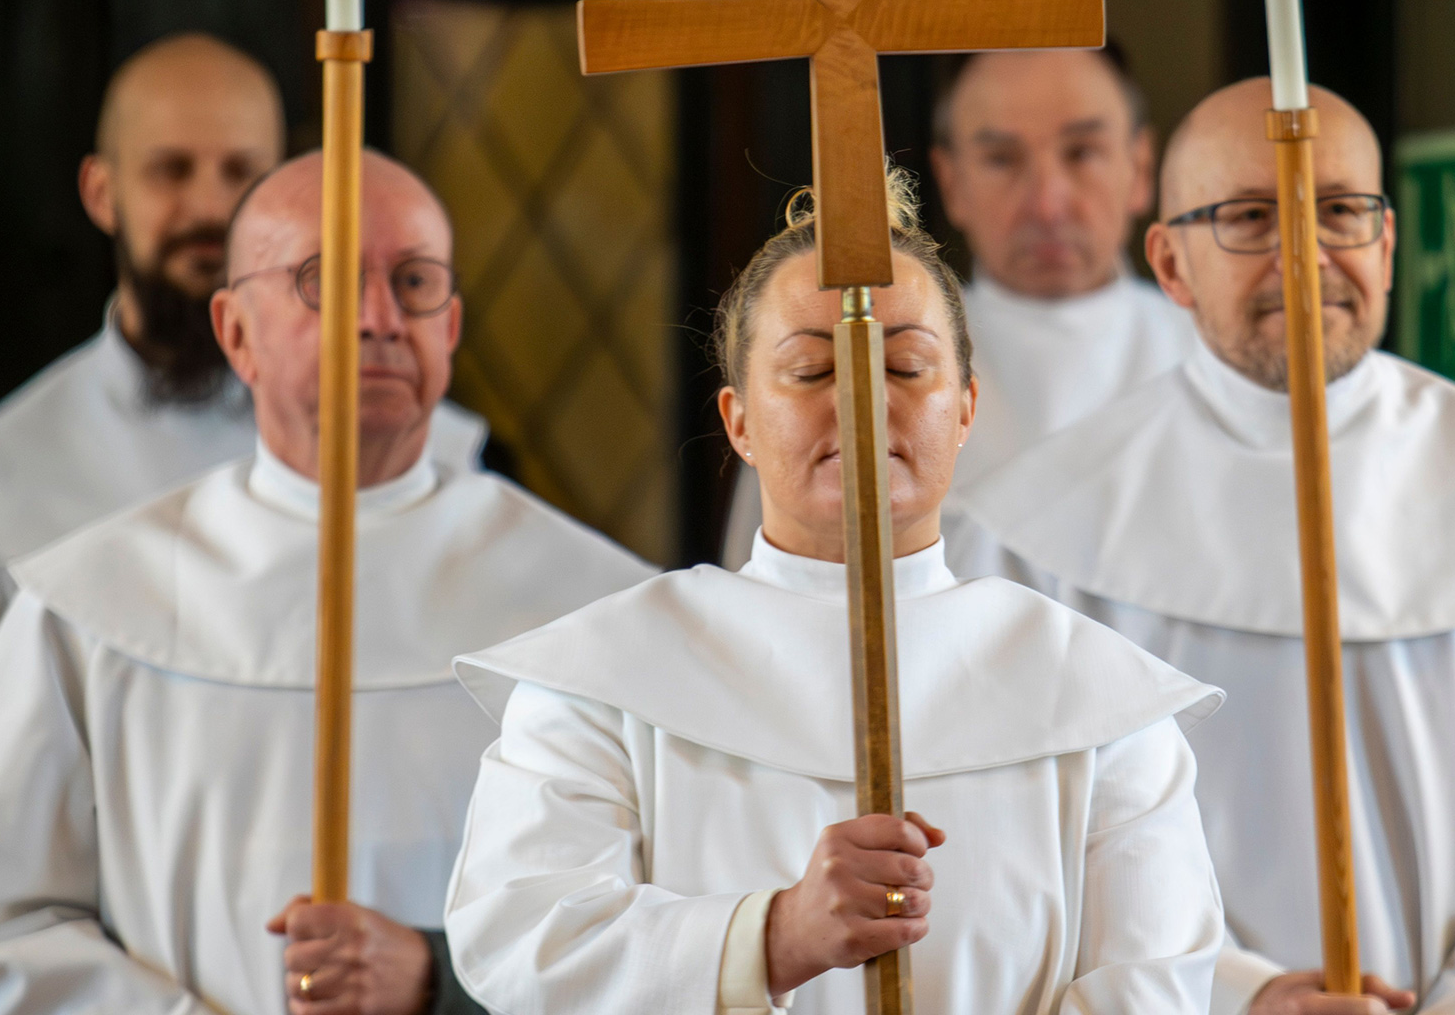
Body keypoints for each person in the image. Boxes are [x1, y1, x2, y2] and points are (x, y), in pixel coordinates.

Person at [956, 78, 1455, 1015]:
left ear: (1386, 245)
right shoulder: (1037, 529)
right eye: (1250, 218)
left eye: (1340, 212)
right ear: (1171, 265)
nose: (1304, 257)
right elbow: (1016, 856)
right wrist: (1243, 996)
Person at [444, 177, 1227, 1014]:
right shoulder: (602, 679)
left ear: (964, 409)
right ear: (739, 420)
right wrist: (776, 937)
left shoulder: (1098, 697)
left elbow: (1156, 984)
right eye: (811, 369)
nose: (861, 396)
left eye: (905, 365)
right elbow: (523, 940)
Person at [0, 151, 650, 1015]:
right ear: (236, 333)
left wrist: (439, 980)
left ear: (450, 327)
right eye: (323, 281)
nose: (379, 318)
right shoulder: (89, 610)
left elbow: (672, 923)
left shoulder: (603, 611)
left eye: (413, 282)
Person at [0, 34, 487, 912]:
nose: (209, 207)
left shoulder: (432, 459)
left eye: (239, 170)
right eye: (170, 171)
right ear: (103, 192)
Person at [720, 46, 1193, 566]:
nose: (1047, 202)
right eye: (1001, 159)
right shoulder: (846, 360)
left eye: (1082, 152)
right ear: (951, 182)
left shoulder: (1214, 363)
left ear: (1142, 168)